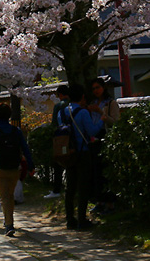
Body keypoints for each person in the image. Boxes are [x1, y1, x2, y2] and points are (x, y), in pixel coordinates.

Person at [59, 83, 103, 230]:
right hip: (82, 152)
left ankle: (70, 219)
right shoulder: (83, 112)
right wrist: (102, 120)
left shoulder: (62, 112)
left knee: (70, 187)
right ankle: (82, 220)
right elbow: (92, 131)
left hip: (68, 153)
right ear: (83, 97)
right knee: (83, 186)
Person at [0, 103, 34, 237]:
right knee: (10, 195)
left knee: (4, 196)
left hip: (0, 167)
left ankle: (9, 224)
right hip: (14, 167)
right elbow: (25, 149)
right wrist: (31, 166)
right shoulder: (16, 130)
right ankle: (8, 221)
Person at [88, 77, 120, 213]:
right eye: (93, 88)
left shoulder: (111, 103)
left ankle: (110, 203)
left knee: (105, 171)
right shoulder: (92, 103)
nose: (96, 91)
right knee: (96, 172)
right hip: (93, 138)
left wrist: (101, 113)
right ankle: (99, 201)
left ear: (103, 88)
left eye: (98, 87)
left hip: (105, 137)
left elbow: (116, 122)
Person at [45, 84, 70, 199]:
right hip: (74, 137)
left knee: (58, 163)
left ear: (60, 95)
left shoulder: (59, 106)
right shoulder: (73, 104)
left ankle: (57, 189)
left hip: (61, 138)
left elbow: (54, 124)